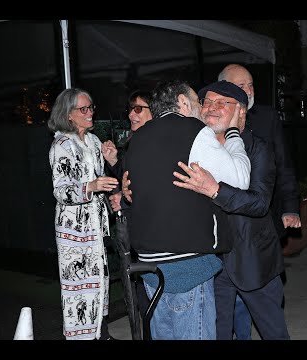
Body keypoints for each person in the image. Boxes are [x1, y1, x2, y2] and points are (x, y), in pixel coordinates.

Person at [123, 79, 251, 340]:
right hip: (186, 265)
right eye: (197, 102)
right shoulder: (193, 129)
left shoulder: (138, 137)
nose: (202, 110)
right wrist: (234, 132)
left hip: (149, 267)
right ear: (182, 102)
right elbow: (240, 178)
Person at [173, 81, 290, 340]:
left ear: (241, 112)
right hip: (210, 262)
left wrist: (216, 190)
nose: (211, 108)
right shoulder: (194, 145)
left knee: (273, 332)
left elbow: (259, 203)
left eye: (221, 103)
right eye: (207, 102)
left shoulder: (258, 148)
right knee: (217, 333)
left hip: (252, 259)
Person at [218, 63, 300, 339]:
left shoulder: (266, 118)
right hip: (225, 234)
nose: (249, 91)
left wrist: (290, 207)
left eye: (251, 85)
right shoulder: (209, 125)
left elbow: (284, 165)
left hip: (262, 221)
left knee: (262, 297)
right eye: (242, 86)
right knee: (229, 310)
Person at [48, 88, 119, 340]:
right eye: (84, 109)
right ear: (68, 115)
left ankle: (100, 332)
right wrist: (91, 186)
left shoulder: (93, 141)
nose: (90, 113)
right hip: (74, 231)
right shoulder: (62, 145)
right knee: (78, 288)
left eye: (91, 108)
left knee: (99, 280)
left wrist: (110, 159)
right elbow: (61, 191)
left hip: (95, 227)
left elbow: (102, 178)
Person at [100, 89, 153, 339]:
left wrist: (127, 197)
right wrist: (113, 161)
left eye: (139, 108)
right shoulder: (134, 141)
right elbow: (127, 177)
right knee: (142, 295)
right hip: (138, 231)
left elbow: (155, 186)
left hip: (154, 232)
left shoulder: (156, 141)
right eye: (131, 108)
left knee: (152, 298)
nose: (132, 114)